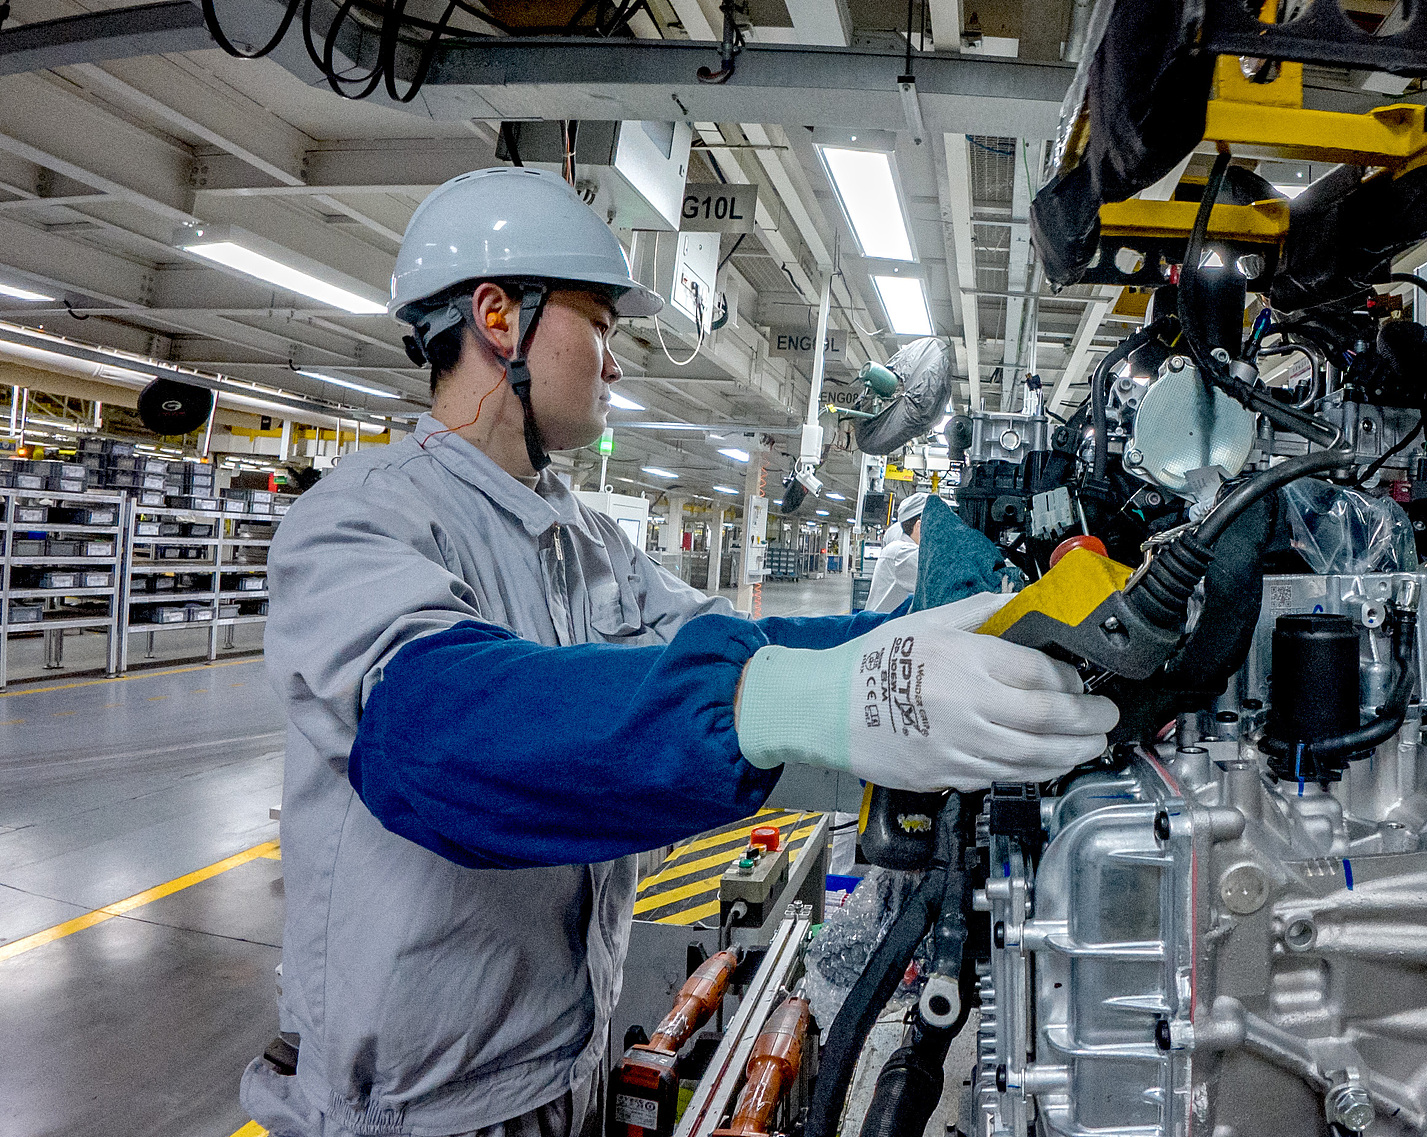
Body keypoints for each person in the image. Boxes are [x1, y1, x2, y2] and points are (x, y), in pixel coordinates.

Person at [243, 166, 1118, 1137]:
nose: (614, 364)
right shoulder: (359, 521)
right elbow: (435, 732)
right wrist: (794, 702)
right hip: (403, 1113)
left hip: (561, 1074)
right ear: (499, 316)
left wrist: (940, 630)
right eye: (601, 326)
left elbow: (732, 648)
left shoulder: (586, 544)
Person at [863, 491, 928, 613]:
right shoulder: (904, 553)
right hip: (883, 628)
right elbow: (939, 582)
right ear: (919, 526)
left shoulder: (900, 547)